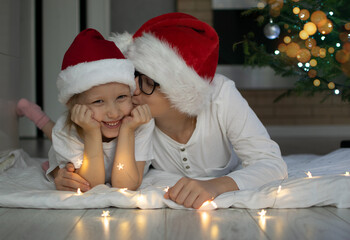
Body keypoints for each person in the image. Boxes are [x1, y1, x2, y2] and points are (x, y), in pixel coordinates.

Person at [34, 13, 288, 209]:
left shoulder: (221, 96)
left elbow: (271, 163)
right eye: (132, 76)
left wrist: (216, 186)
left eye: (146, 80)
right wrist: (61, 172)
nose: (132, 89)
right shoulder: (129, 114)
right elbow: (77, 134)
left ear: (179, 88)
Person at [17, 28, 154, 191]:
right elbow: (92, 185)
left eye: (121, 97)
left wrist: (127, 131)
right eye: (98, 101)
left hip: (86, 135)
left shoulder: (140, 124)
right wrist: (91, 132)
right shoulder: (65, 131)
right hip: (69, 134)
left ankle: (33, 112)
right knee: (54, 132)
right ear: (74, 106)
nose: (114, 113)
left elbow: (126, 185)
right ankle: (34, 113)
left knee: (55, 134)